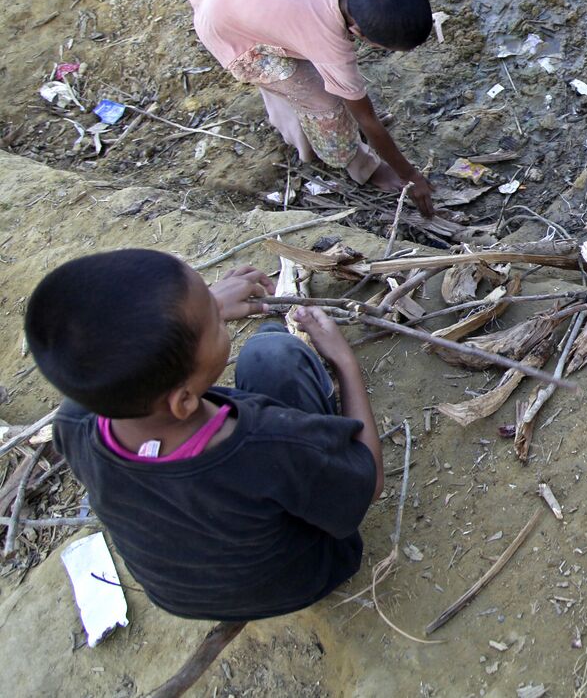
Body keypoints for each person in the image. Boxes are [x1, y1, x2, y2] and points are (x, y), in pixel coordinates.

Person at [28, 250, 384, 622]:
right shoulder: (273, 444)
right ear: (183, 401)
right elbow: (370, 482)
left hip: (181, 598)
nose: (218, 311)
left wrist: (197, 312)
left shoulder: (74, 422)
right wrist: (345, 363)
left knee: (267, 346)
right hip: (304, 578)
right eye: (213, 320)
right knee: (270, 352)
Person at [191, 0, 436, 217]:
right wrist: (410, 175)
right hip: (224, 25)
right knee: (323, 103)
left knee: (312, 77)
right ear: (357, 32)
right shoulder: (328, 45)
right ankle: (360, 165)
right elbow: (367, 119)